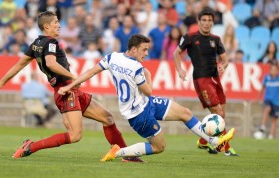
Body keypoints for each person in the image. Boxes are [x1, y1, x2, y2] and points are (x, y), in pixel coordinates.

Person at [0, 11, 142, 163]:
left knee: (107, 118)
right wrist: (74, 77)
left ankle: (126, 154)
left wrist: (1, 82)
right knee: (75, 135)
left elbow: (20, 64)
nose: (59, 25)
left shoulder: (37, 44)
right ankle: (31, 147)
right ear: (46, 26)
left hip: (69, 90)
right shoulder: (51, 43)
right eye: (55, 23)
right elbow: (51, 63)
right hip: (66, 90)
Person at [58, 34, 235, 162]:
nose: (146, 54)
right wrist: (148, 74)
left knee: (185, 112)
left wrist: (69, 85)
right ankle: (118, 153)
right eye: (144, 50)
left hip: (145, 104)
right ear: (133, 49)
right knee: (159, 147)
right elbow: (148, 90)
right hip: (139, 115)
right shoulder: (136, 68)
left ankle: (214, 141)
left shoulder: (112, 57)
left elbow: (90, 72)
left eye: (148, 50)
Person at [173, 8, 238, 156]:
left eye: (209, 20)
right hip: (202, 80)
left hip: (215, 78)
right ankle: (226, 148)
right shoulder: (189, 37)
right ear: (199, 21)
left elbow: (225, 59)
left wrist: (223, 65)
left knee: (221, 116)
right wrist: (180, 69)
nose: (207, 23)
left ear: (213, 22)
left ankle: (203, 142)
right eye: (204, 20)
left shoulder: (216, 40)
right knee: (218, 112)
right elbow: (176, 53)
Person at [255, 61, 279, 139]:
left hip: (277, 102)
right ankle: (263, 127)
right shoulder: (266, 78)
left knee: (274, 119)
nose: (273, 71)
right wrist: (257, 98)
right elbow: (262, 88)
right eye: (272, 69)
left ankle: (271, 136)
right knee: (267, 108)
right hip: (268, 99)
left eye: (275, 70)